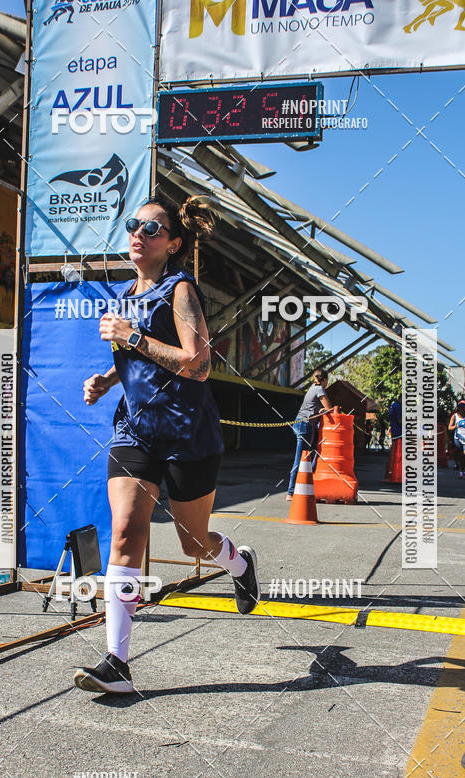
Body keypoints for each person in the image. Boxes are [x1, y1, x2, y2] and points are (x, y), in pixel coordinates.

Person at [73, 195, 260, 694]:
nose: (139, 234)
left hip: (187, 434)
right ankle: (117, 663)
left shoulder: (180, 290)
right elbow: (139, 358)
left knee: (193, 544)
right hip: (135, 430)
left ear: (173, 243)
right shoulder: (124, 295)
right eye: (133, 225)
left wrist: (132, 338)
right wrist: (110, 379)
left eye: (152, 229)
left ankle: (240, 563)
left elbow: (198, 365)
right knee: (126, 530)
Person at [286, 368, 332, 500]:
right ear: (324, 380)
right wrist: (326, 410)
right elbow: (330, 408)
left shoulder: (312, 388)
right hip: (305, 425)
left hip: (301, 424)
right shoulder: (319, 389)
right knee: (301, 458)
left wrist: (321, 410)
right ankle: (291, 491)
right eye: (327, 380)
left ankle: (305, 484)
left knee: (314, 453)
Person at [449, 398, 465, 478]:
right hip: (458, 438)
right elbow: (449, 427)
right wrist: (455, 426)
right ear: (458, 407)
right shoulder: (454, 416)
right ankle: (462, 471)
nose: (461, 408)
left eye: (463, 406)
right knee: (460, 455)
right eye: (460, 406)